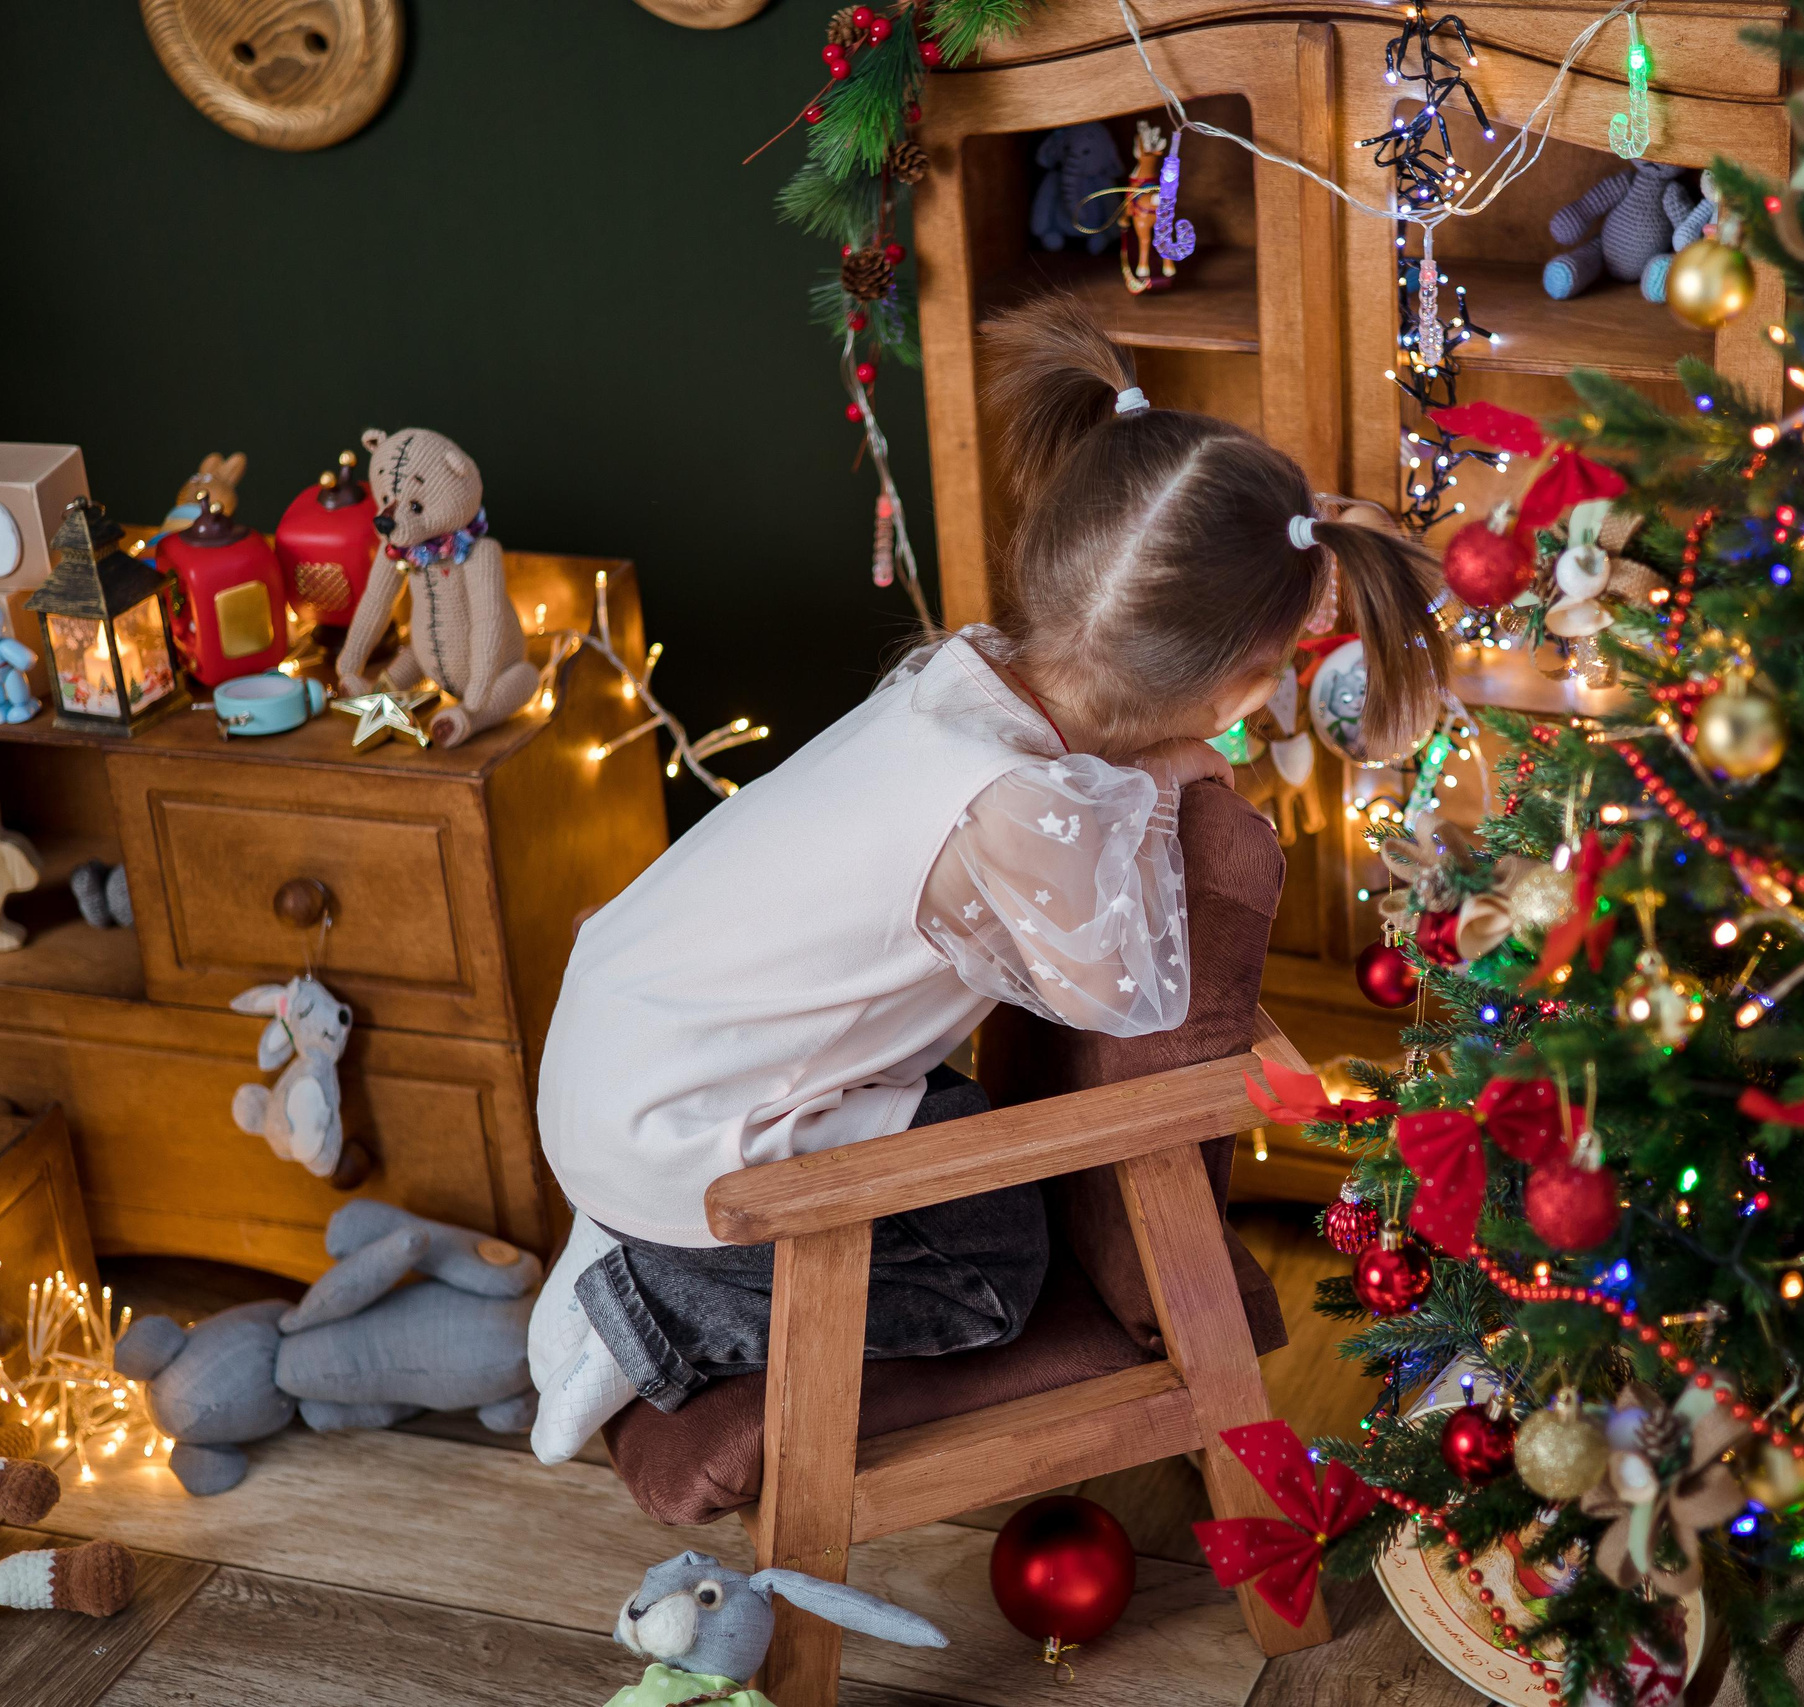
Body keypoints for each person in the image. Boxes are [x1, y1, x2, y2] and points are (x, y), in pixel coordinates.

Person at [525, 294, 1445, 1462]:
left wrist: (1161, 746)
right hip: (679, 1127)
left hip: (630, 1042)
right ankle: (647, 1313)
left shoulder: (965, 670)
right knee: (994, 1266)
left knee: (954, 1124)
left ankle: (618, 1240)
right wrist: (1171, 772)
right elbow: (1130, 995)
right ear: (1240, 686)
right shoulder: (1019, 814)